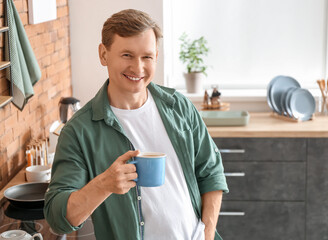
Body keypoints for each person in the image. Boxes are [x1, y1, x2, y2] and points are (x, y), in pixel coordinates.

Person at [44, 9, 228, 240]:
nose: (138, 68)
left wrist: (208, 233)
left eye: (147, 57)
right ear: (103, 54)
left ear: (156, 57)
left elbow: (211, 171)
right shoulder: (79, 131)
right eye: (127, 55)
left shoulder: (178, 106)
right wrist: (103, 184)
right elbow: (56, 217)